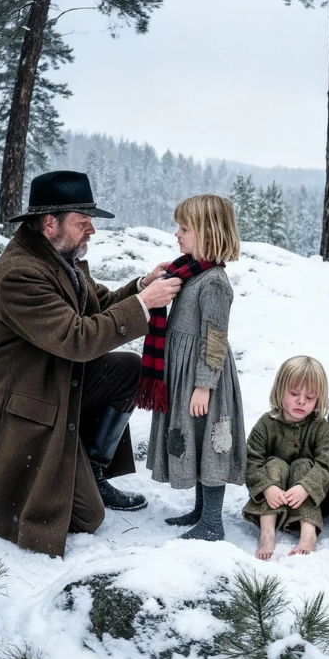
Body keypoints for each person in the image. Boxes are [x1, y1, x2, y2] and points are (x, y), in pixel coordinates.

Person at [0, 170, 181, 557]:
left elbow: (98, 307)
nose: (92, 230)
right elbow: (77, 338)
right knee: (86, 518)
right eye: (83, 222)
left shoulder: (59, 256)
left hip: (54, 382)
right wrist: (144, 304)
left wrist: (140, 287)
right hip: (22, 403)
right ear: (50, 222)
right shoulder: (19, 274)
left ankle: (91, 467)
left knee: (128, 371)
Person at [145, 195, 246, 541]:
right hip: (184, 373)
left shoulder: (214, 283)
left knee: (211, 442)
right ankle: (201, 512)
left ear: (209, 233)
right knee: (197, 438)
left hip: (205, 378)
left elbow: (215, 339)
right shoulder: (189, 274)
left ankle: (212, 523)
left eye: (184, 228)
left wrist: (204, 384)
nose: (177, 234)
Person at [242, 356, 329, 559]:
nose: (301, 401)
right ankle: (267, 533)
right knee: (275, 463)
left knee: (303, 464)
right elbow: (251, 460)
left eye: (310, 398)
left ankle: (308, 533)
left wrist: (305, 487)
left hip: (307, 496)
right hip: (272, 495)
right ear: (280, 390)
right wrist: (267, 487)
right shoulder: (266, 424)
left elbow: (325, 465)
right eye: (294, 394)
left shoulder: (321, 428)